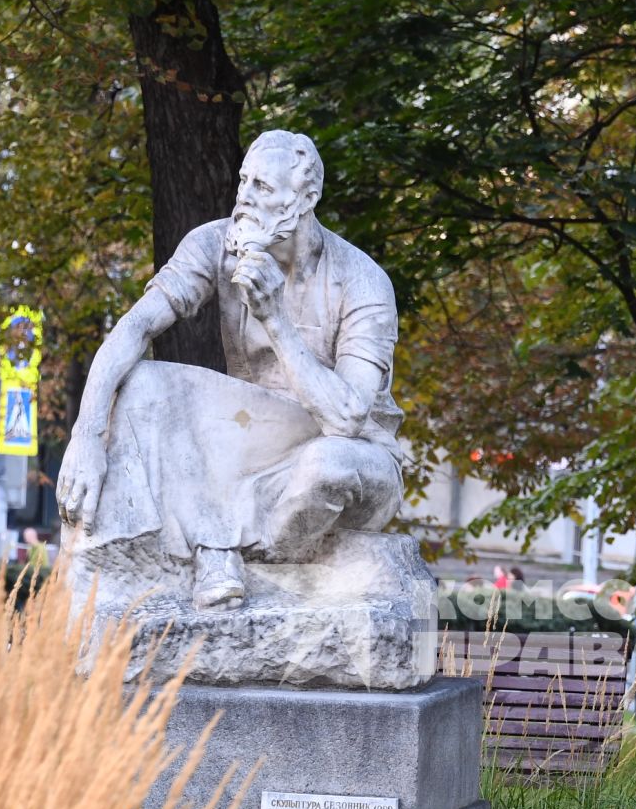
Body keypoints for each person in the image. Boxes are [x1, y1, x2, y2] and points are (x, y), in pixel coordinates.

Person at [55, 129, 407, 610]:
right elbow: (135, 328)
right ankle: (126, 575)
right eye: (243, 181)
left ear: (306, 198)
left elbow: (346, 418)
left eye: (262, 187)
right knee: (146, 381)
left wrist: (275, 318)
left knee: (329, 465)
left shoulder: (363, 281)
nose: (243, 198)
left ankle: (218, 548)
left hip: (354, 458)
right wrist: (87, 436)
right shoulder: (215, 244)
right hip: (250, 445)